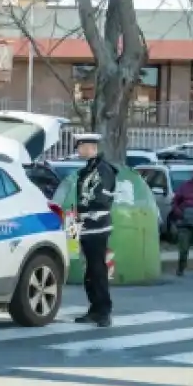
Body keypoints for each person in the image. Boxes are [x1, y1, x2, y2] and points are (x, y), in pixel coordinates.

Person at [72, 133, 117, 327]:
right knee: (90, 269)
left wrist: (85, 209)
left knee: (98, 269)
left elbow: (102, 198)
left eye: (81, 146)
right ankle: (94, 308)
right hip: (85, 226)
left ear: (91, 147)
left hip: (97, 226)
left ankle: (104, 310)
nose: (79, 150)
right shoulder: (88, 170)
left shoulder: (103, 170)